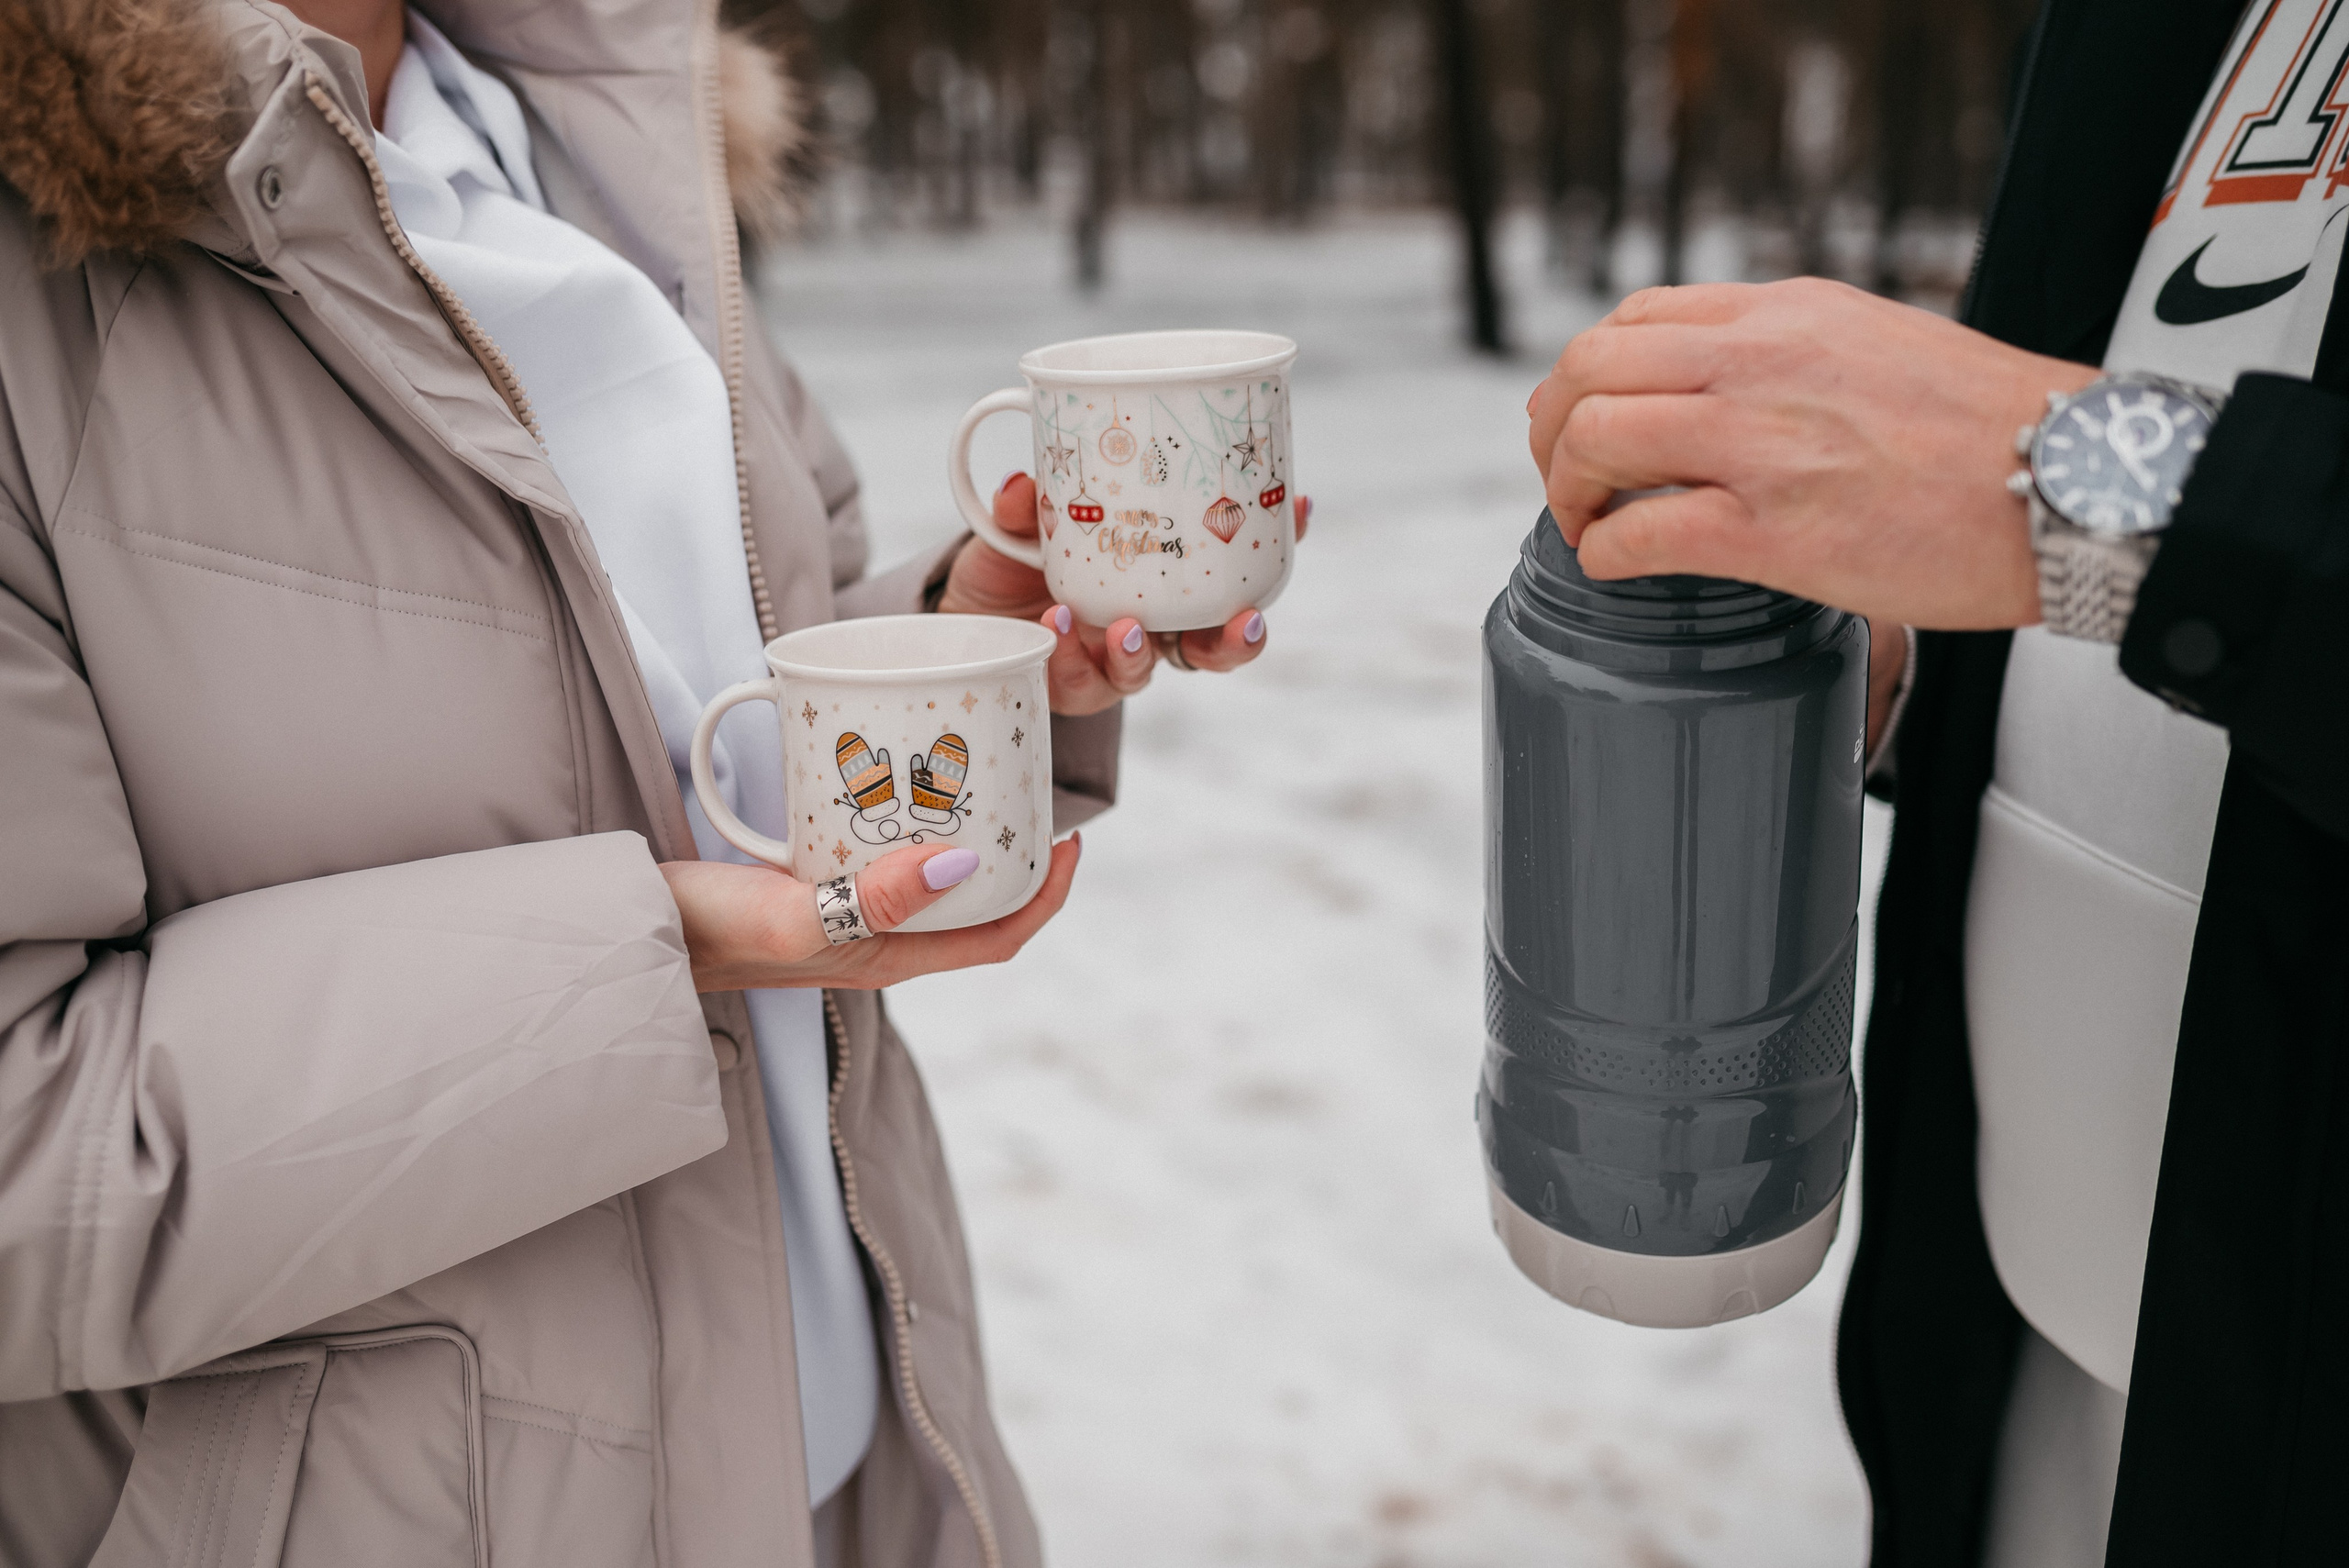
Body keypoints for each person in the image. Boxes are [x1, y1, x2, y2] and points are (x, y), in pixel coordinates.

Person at [0, 1, 1295, 1565]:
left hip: (859, 1464)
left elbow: (705, 706)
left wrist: (960, 651)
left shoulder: (594, 122)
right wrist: (660, 947)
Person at [1529, 2, 2346, 1563]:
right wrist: (1884, 686)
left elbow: (2088, 483)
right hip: (2012, 1400)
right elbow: (2090, 560)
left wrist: (2084, 487)